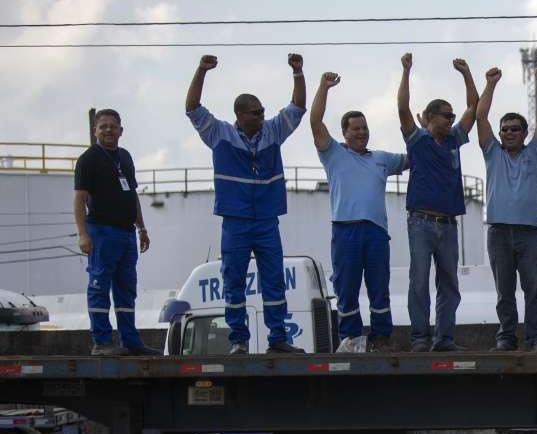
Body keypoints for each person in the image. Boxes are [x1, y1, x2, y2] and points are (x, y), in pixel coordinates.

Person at [185, 53, 307, 354]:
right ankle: (239, 340)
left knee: (274, 281)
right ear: (240, 115)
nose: (262, 115)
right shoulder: (220, 134)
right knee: (233, 282)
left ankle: (277, 338)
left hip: (266, 220)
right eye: (255, 112)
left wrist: (298, 73)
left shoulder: (273, 132)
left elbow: (298, 107)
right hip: (235, 221)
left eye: (263, 110)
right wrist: (201, 70)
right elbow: (192, 108)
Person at [310, 71, 408, 353]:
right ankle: (351, 338)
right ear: (345, 133)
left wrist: (425, 132)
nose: (362, 132)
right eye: (356, 128)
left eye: (365, 127)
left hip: (376, 232)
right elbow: (315, 121)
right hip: (346, 230)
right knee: (347, 286)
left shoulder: (382, 159)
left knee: (379, 287)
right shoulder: (333, 154)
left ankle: (380, 338)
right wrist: (324, 87)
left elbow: (414, 157)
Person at [396, 53, 479, 352]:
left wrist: (467, 73)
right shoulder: (417, 140)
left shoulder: (455, 139)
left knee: (449, 285)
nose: (452, 119)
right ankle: (420, 338)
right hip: (421, 221)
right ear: (430, 118)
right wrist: (406, 71)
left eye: (452, 116)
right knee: (419, 281)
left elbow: (474, 107)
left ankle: (444, 339)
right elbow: (403, 108)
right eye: (446, 115)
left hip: (448, 223)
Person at [476, 65, 537, 351]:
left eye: (514, 129)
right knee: (503, 291)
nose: (508, 133)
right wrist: (490, 84)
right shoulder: (492, 152)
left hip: (528, 232)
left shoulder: (535, 152)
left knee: (533, 290)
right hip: (498, 231)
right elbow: (480, 116)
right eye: (504, 129)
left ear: (524, 132)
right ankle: (506, 337)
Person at [73, 109, 156, 356]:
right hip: (101, 231)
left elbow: (132, 195)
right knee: (99, 285)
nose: (108, 130)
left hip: (126, 233)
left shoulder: (125, 158)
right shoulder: (88, 159)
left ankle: (130, 341)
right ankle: (102, 341)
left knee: (126, 288)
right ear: (95, 131)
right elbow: (79, 200)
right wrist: (82, 234)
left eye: (113, 126)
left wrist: (142, 227)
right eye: (103, 126)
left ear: (121, 130)